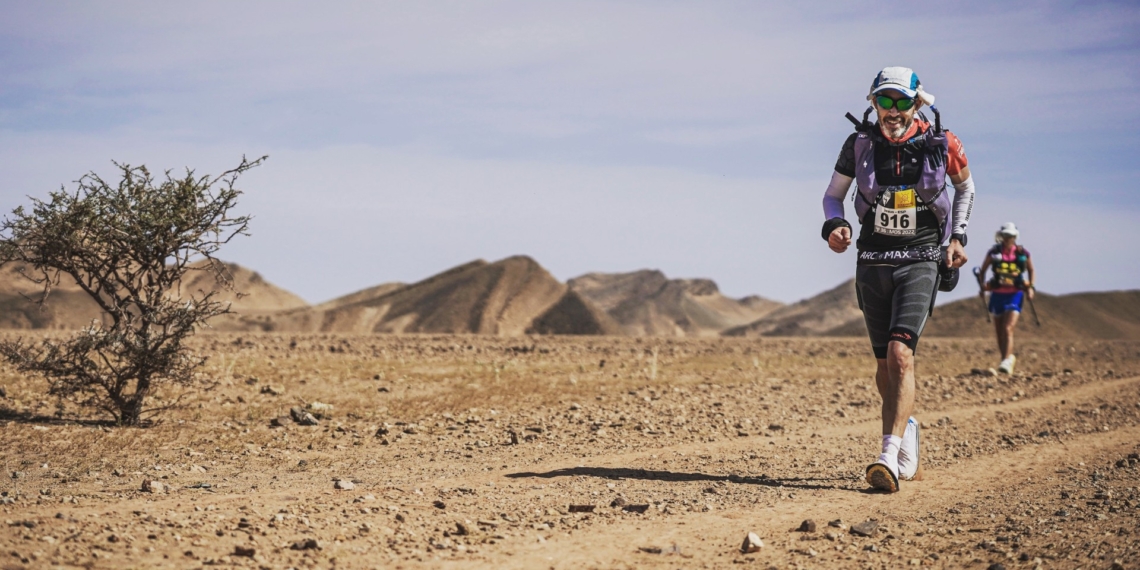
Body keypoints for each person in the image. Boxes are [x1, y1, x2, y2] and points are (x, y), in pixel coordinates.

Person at [821, 67, 975, 493]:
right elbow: (834, 194)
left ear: (916, 103)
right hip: (872, 258)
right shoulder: (859, 145)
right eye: (884, 101)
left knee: (901, 354)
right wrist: (834, 224)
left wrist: (958, 237)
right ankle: (905, 430)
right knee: (884, 366)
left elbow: (966, 188)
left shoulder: (944, 144)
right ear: (873, 103)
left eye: (901, 101)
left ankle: (886, 456)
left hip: (922, 256)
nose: (892, 110)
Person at [978, 222, 1035, 374]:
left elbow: (1031, 270)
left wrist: (1030, 288)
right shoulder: (993, 252)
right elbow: (982, 270)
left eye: (1011, 236)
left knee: (1008, 328)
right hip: (997, 294)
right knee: (999, 330)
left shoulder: (1022, 254)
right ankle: (1006, 360)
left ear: (1015, 237)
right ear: (1001, 236)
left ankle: (1006, 361)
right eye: (1005, 235)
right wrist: (982, 286)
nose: (1008, 238)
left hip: (1015, 294)